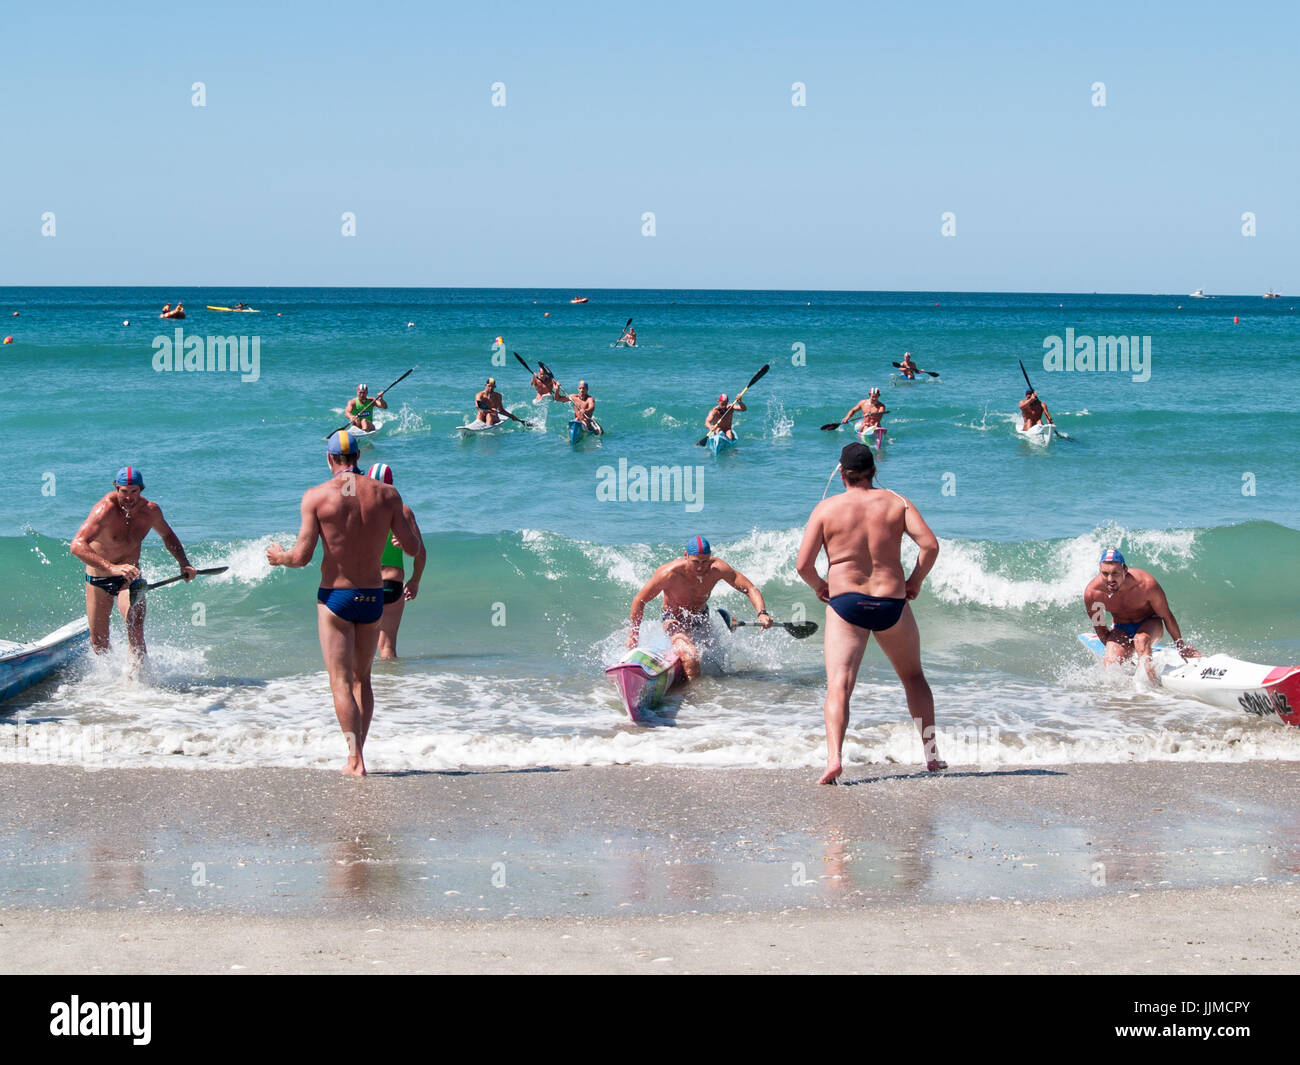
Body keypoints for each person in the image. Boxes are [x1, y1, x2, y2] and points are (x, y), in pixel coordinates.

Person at [266, 430, 421, 776]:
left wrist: (280, 557)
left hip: (336, 597)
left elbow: (302, 557)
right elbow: (411, 548)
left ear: (330, 459)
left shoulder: (317, 497)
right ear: (358, 458)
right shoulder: (387, 495)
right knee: (361, 679)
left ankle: (355, 760)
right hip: (373, 596)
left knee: (339, 682)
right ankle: (358, 758)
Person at [796, 442, 945, 783]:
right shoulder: (897, 502)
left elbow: (803, 565)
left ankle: (834, 759)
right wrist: (914, 581)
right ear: (874, 470)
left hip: (847, 604)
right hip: (892, 602)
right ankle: (932, 754)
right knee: (913, 678)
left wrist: (820, 586)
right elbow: (930, 546)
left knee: (839, 687)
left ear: (841, 472)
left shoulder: (826, 509)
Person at [70, 466, 197, 661]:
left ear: (141, 489)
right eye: (123, 491)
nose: (128, 497)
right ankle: (108, 686)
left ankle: (140, 684)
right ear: (116, 488)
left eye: (134, 491)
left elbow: (168, 535)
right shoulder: (105, 510)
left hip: (129, 579)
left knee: (136, 628)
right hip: (99, 579)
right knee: (99, 643)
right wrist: (111, 567)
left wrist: (184, 563)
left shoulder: (150, 511)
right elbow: (77, 545)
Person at [626, 537, 771, 680]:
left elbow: (750, 588)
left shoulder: (717, 569)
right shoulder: (669, 573)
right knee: (691, 656)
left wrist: (762, 613)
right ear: (686, 556)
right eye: (695, 562)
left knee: (717, 660)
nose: (701, 567)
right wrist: (633, 635)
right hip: (673, 619)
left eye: (705, 561)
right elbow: (639, 600)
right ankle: (693, 698)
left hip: (700, 616)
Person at [1084, 548, 1200, 683]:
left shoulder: (1146, 585)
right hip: (1121, 628)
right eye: (1105, 573)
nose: (1110, 579)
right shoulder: (1093, 594)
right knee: (1111, 664)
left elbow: (1167, 616)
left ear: (1125, 570)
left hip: (1150, 623)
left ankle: (1150, 693)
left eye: (1115, 573)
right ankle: (1129, 701)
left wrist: (1181, 646)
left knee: (1141, 640)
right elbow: (1101, 630)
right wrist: (1120, 652)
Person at [366, 463, 427, 659]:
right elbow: (420, 552)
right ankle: (391, 688)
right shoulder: (404, 512)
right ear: (392, 484)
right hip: (391, 586)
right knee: (387, 647)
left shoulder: (358, 511)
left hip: (364, 585)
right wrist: (415, 580)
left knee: (361, 649)